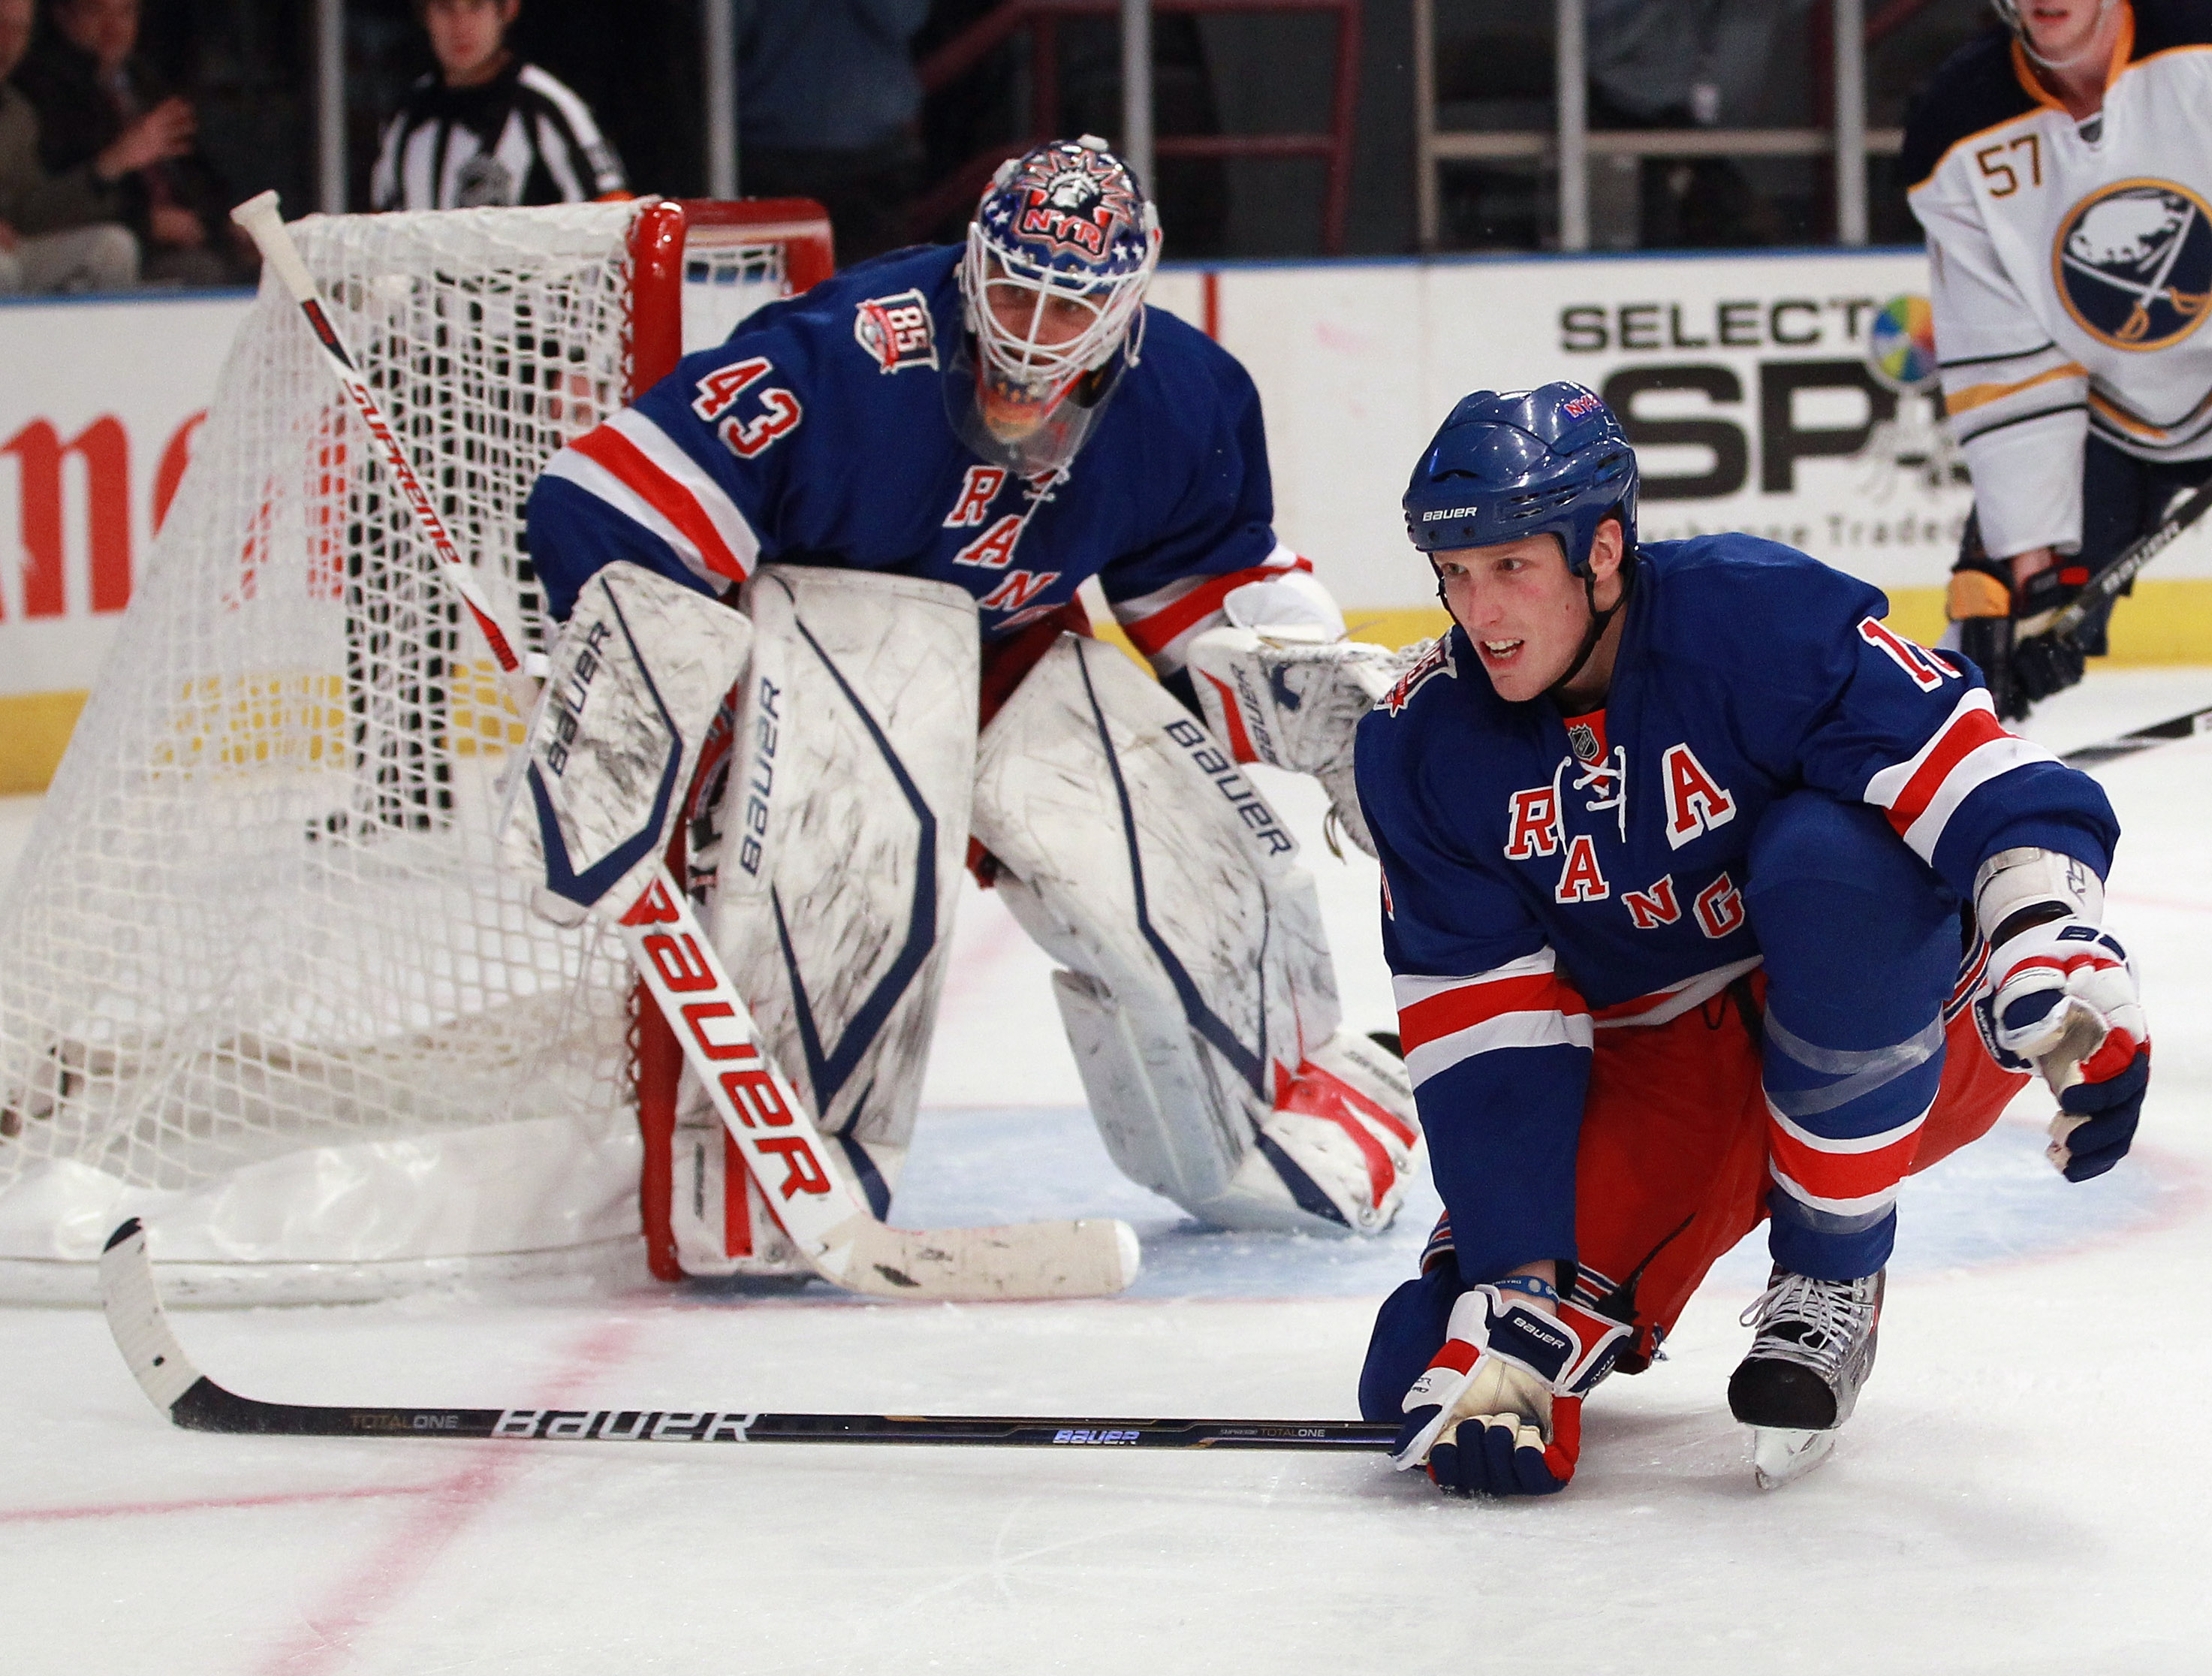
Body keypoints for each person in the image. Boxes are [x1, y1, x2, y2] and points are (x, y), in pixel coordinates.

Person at [516, 137, 1421, 1278]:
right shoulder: (843, 359)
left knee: (1199, 855)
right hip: (820, 666)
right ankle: (772, 1154)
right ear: (969, 264)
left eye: (1069, 308)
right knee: (859, 868)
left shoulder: (1183, 399)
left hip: (1011, 658)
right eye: (1012, 289)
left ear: (1125, 313)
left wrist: (1314, 691)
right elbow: (609, 493)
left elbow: (1204, 582)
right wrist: (631, 711)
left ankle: (1277, 1104)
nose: (1032, 335)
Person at [1354, 383, 2149, 1494]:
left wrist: (2044, 937)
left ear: (1603, 548)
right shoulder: (1421, 741)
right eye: (1455, 574)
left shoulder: (1752, 619)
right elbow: (1486, 1039)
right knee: (1417, 1366)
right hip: (1665, 1065)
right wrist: (1520, 1290)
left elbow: (1983, 773)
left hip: (1902, 1017)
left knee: (1831, 859)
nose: (1478, 612)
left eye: (1511, 568)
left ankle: (1830, 1268)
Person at [1905, 0, 2212, 719]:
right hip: (2107, 417)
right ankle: (1971, 800)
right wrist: (2031, 551)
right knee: (1996, 618)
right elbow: (2001, 353)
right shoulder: (1958, 124)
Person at [10, 0, 246, 285]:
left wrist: (226, 223)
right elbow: (45, 207)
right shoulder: (42, 93)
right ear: (63, 16)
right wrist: (145, 223)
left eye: (126, 13)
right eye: (96, 13)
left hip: (186, 240)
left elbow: (195, 171)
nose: (114, 28)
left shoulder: (142, 81)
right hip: (117, 247)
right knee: (202, 271)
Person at [370, 0, 624, 212]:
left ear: (508, 9)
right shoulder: (406, 116)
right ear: (424, 14)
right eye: (445, 7)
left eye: (476, 6)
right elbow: (381, 229)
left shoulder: (546, 108)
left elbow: (617, 213)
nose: (461, 27)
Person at [737, 0, 930, 264]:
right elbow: (724, 31)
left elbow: (904, 17)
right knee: (765, 292)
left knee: (872, 290)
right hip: (767, 154)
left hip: (872, 162)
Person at [0, 0, 136, 292]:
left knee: (113, 248)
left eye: (19, 30)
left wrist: (103, 171)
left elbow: (30, 212)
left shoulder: (17, 113)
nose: (6, 41)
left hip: (12, 246)